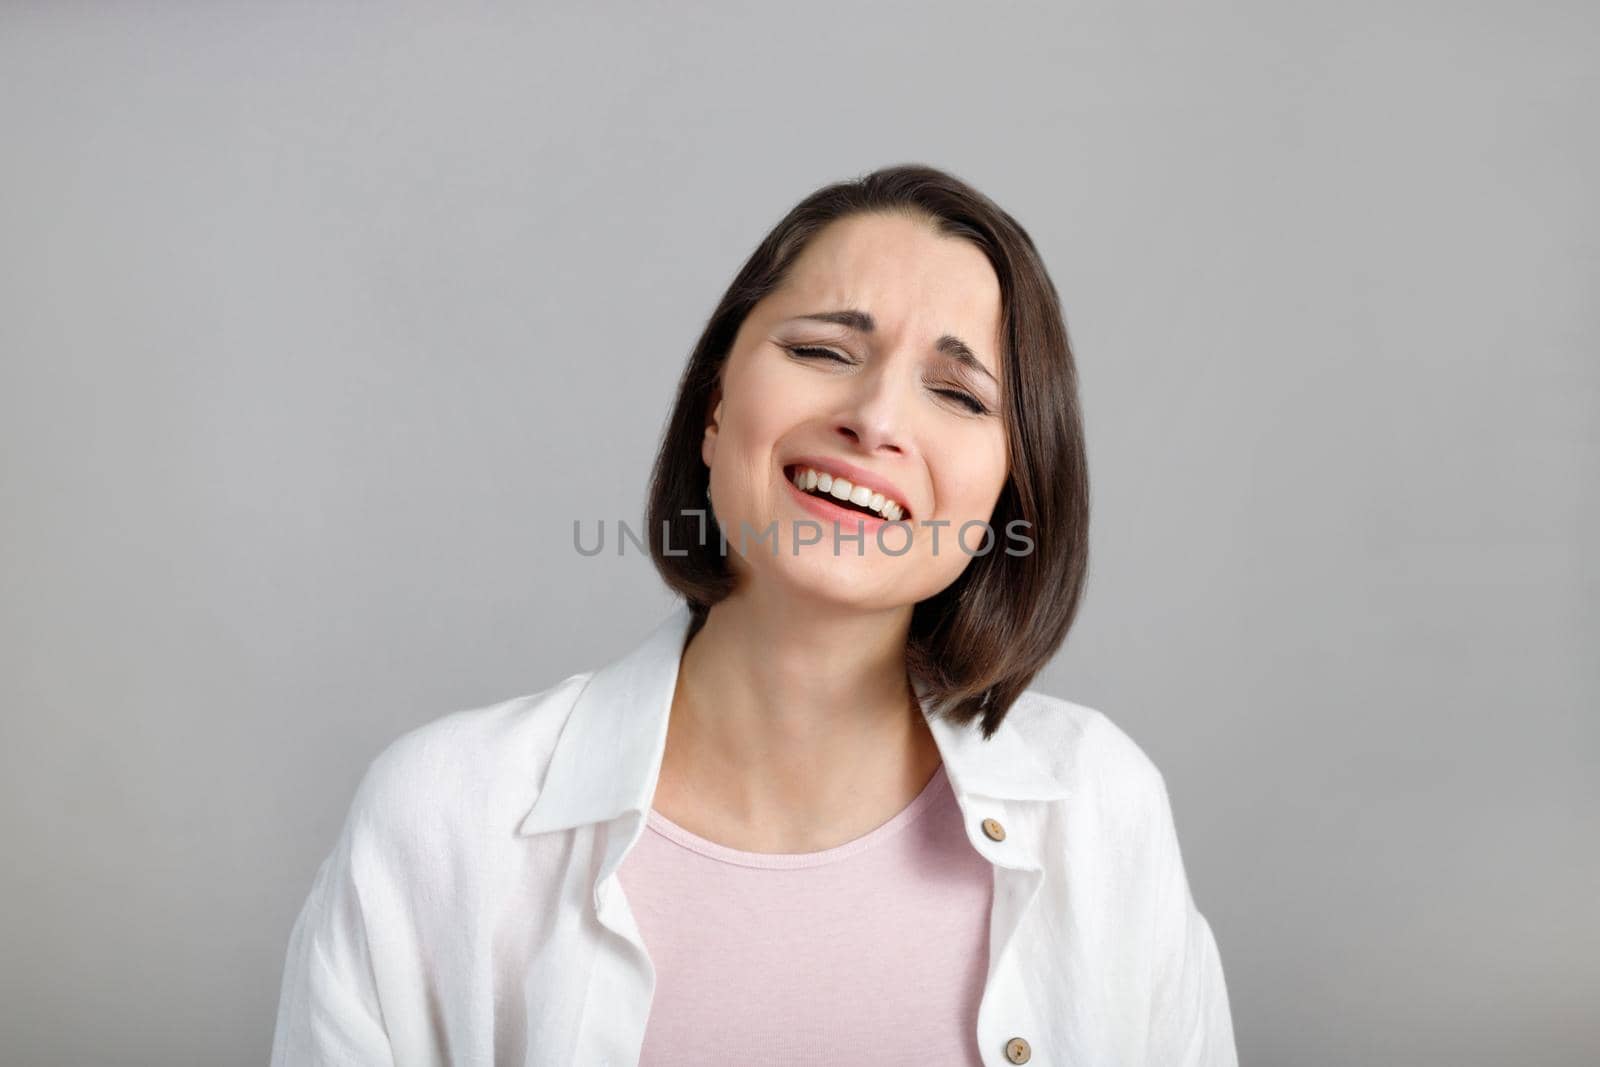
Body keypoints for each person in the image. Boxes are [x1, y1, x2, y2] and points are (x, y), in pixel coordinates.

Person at [270, 164, 1239, 1066]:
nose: (876, 418)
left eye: (955, 392)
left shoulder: (1099, 805)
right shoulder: (447, 814)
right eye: (821, 349)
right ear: (714, 406)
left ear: (1008, 496)